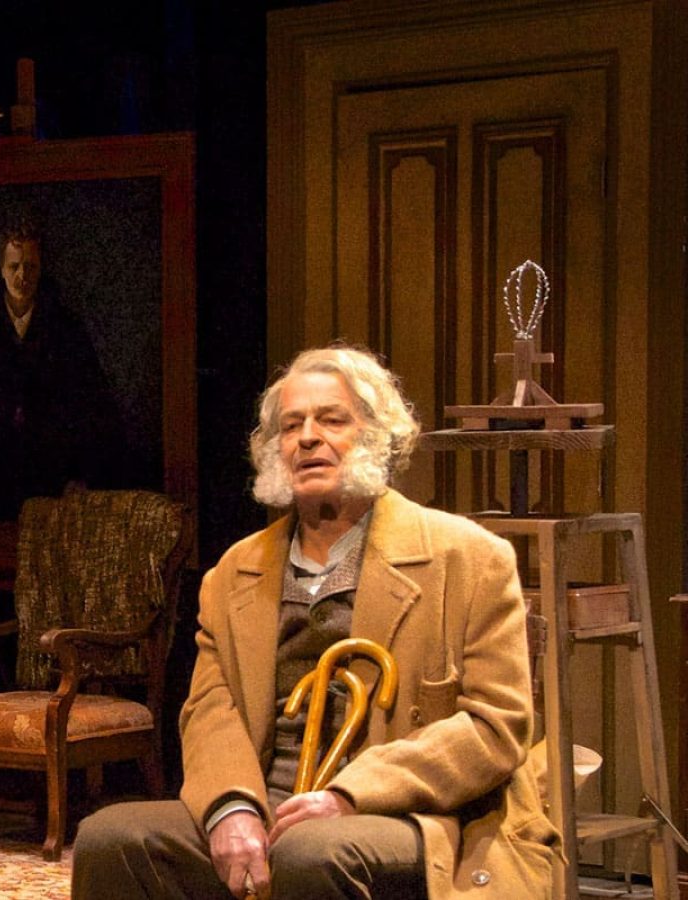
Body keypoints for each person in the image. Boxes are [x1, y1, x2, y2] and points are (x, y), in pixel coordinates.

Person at [71, 345, 559, 899]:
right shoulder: (233, 572)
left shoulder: (469, 558)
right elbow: (211, 710)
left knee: (311, 852)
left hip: (409, 814)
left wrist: (349, 796)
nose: (307, 437)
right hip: (265, 802)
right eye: (291, 425)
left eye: (331, 420)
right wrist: (231, 808)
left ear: (377, 435)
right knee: (109, 837)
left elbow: (496, 726)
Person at [0, 219, 123, 519]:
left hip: (48, 476)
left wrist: (79, 473)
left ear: (41, 269)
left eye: (29, 266)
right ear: (1, 268)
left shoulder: (65, 329)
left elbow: (88, 404)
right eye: (14, 266)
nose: (22, 276)